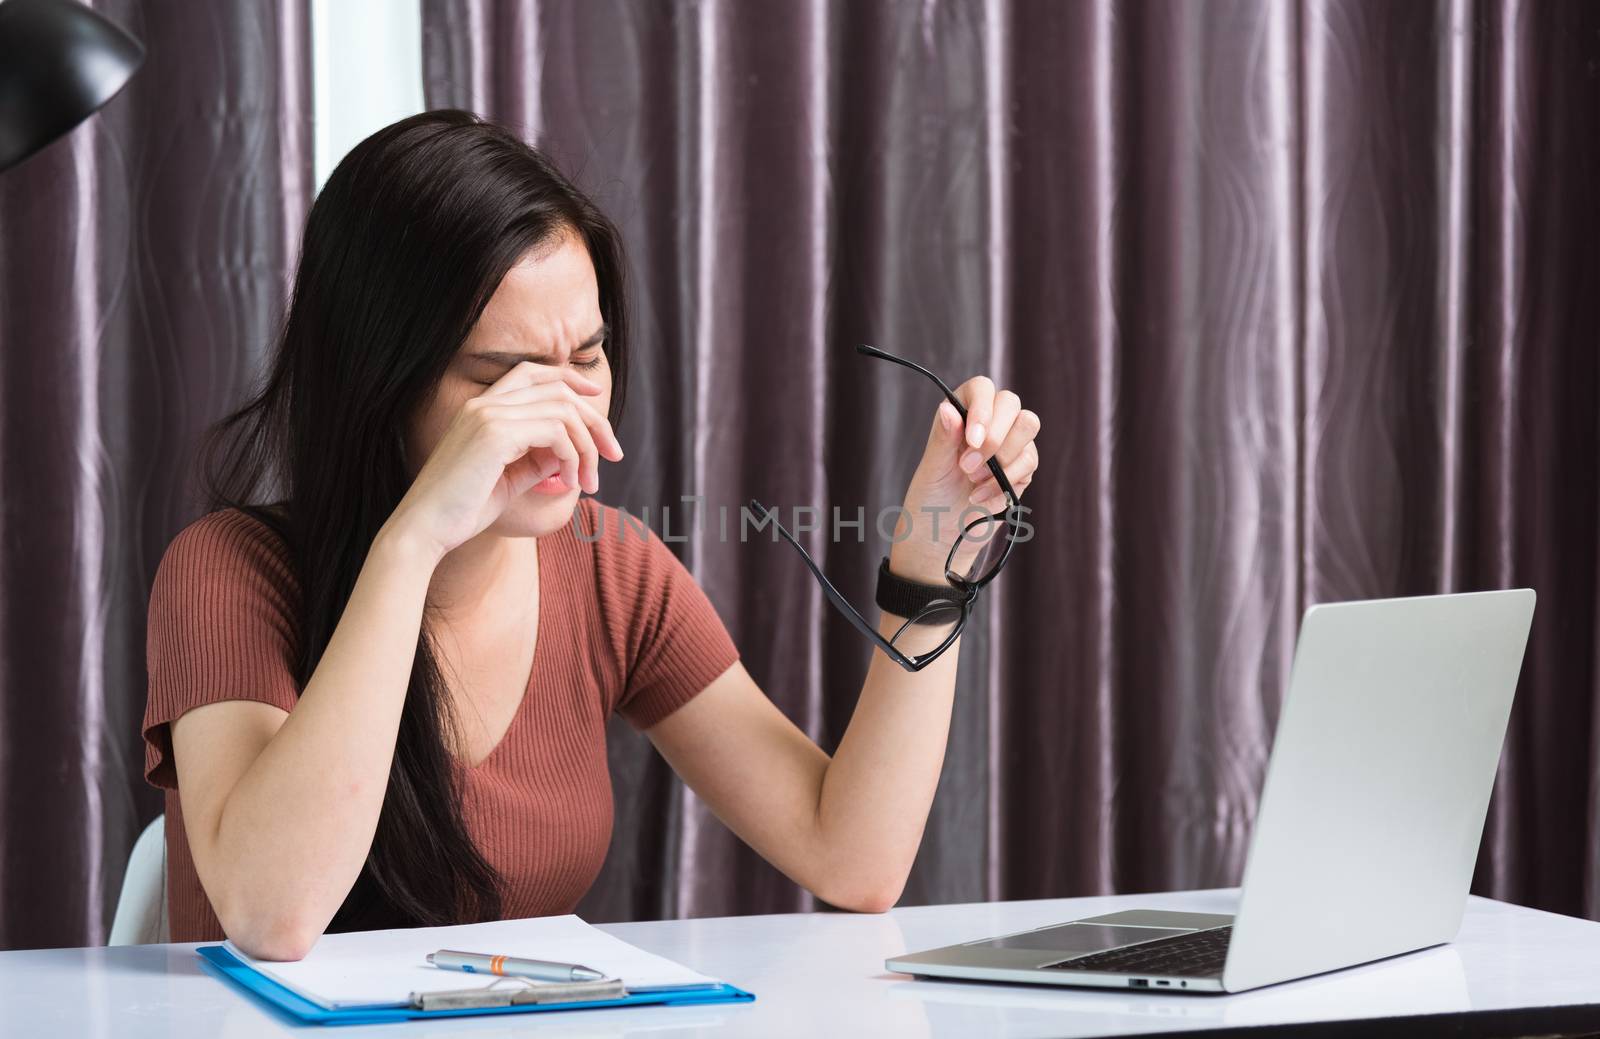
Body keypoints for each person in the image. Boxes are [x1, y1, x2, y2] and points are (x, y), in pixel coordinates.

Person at [140, 110, 1041, 960]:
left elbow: (852, 855)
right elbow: (272, 913)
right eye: (506, 377)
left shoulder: (611, 569)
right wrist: (411, 544)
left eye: (586, 358)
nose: (567, 417)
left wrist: (934, 558)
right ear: (379, 383)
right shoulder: (228, 573)